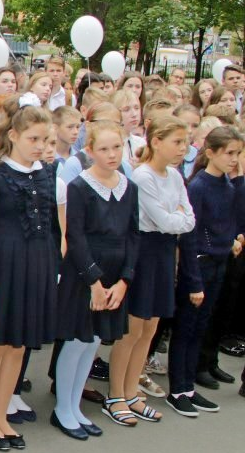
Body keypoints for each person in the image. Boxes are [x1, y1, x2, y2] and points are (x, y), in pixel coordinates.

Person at [0, 106, 60, 451]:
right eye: (33, 139)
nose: (39, 146)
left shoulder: (47, 174)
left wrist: (53, 268)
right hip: (3, 270)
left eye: (44, 139)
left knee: (18, 346)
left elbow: (51, 228)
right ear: (13, 137)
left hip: (35, 267)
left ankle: (1, 413)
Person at [51, 121, 139, 439]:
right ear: (89, 152)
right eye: (103, 148)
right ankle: (63, 408)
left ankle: (75, 405)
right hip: (84, 278)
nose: (112, 154)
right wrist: (94, 282)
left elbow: (132, 235)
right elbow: (75, 236)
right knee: (77, 341)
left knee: (95, 343)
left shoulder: (129, 187)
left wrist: (124, 281)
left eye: (117, 147)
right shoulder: (80, 188)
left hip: (115, 279)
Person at [105, 114, 191, 426]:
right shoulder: (143, 177)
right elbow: (168, 221)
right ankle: (116, 394)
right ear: (156, 142)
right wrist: (176, 217)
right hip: (144, 252)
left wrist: (177, 218)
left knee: (151, 327)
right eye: (177, 142)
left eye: (185, 142)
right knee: (133, 328)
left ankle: (132, 392)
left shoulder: (176, 176)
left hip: (165, 254)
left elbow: (188, 218)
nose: (184, 148)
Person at [167, 126, 245, 417]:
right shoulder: (198, 186)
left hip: (218, 263)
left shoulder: (227, 184)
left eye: (238, 153)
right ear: (210, 152)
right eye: (229, 153)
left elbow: (228, 223)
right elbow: (190, 234)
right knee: (186, 328)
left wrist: (232, 242)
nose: (234, 159)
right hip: (198, 266)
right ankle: (178, 389)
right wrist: (193, 279)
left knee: (201, 326)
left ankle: (188, 386)